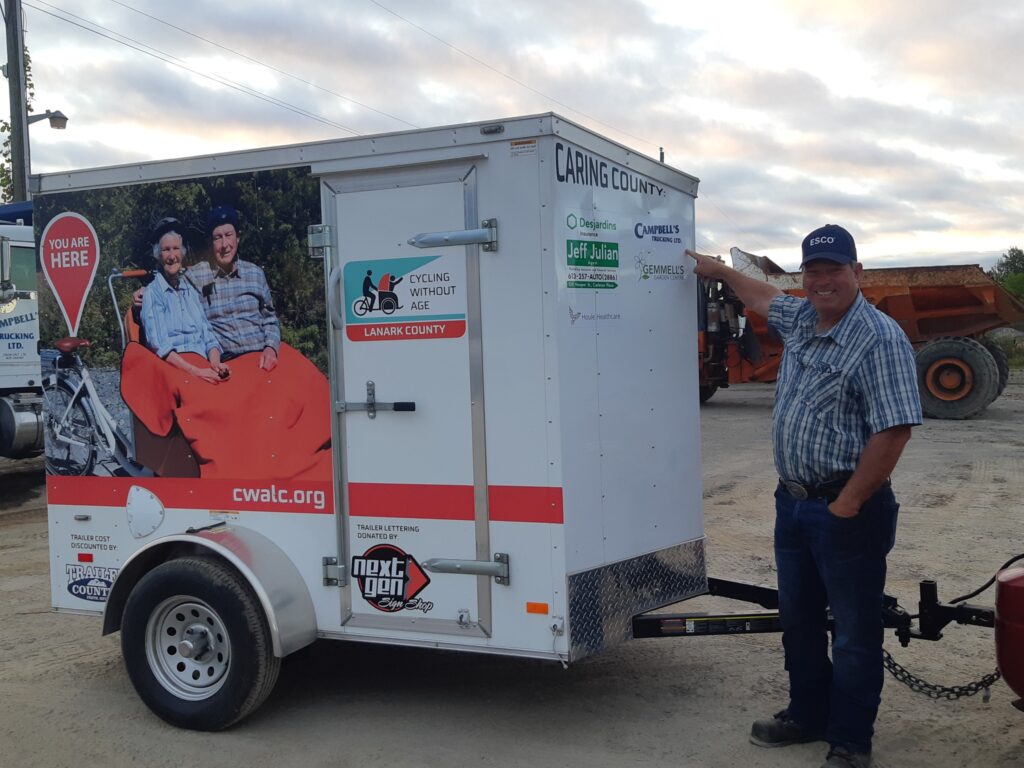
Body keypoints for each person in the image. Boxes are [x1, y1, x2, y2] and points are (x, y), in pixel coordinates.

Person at [686, 225, 922, 768]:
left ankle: (850, 741)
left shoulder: (878, 337)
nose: (822, 281)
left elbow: (894, 432)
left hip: (848, 510)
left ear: (857, 273)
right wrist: (717, 270)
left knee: (856, 631)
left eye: (833, 270)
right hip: (791, 503)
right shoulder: (802, 319)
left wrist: (848, 503)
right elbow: (764, 296)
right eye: (813, 272)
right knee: (800, 620)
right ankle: (807, 713)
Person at [186, 206, 280, 371]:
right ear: (210, 242)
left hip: (261, 361)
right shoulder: (195, 276)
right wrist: (142, 295)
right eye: (218, 238)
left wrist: (271, 348)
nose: (224, 244)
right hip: (228, 365)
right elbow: (170, 287)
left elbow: (270, 319)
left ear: (237, 238)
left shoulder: (255, 273)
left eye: (229, 235)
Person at [139, 219, 229, 385]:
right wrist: (197, 372)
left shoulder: (190, 290)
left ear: (183, 253)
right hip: (175, 369)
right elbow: (160, 347)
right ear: (159, 255)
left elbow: (209, 337)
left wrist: (215, 364)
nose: (172, 256)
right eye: (166, 250)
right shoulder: (153, 293)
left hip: (202, 364)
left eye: (176, 249)